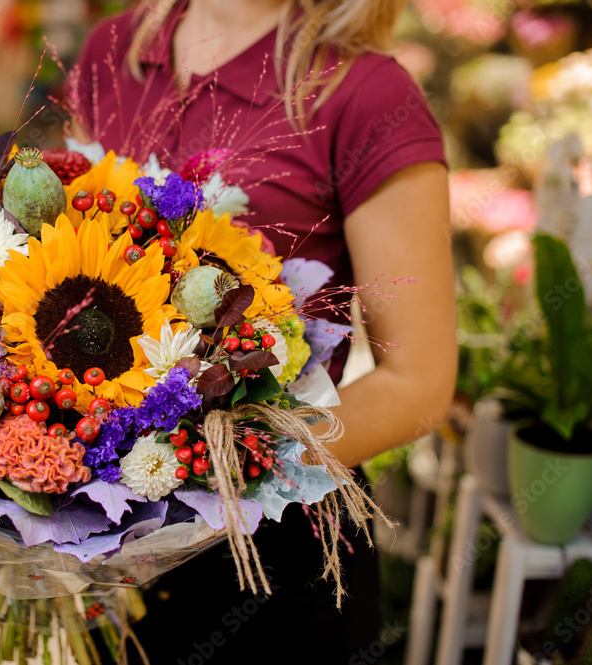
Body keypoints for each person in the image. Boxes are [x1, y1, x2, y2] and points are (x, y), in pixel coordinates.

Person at [67, 0, 457, 661]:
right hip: (107, 542)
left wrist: (204, 476)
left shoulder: (363, 93)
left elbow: (416, 381)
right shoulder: (116, 50)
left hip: (276, 555)